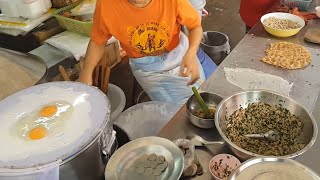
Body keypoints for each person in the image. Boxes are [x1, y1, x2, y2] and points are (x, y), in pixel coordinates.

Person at [80, 0, 217, 105]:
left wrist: (191, 53)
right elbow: (98, 41)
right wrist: (86, 72)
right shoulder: (107, 5)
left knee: (204, 99)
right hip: (147, 69)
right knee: (178, 111)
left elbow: (195, 26)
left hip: (179, 55)